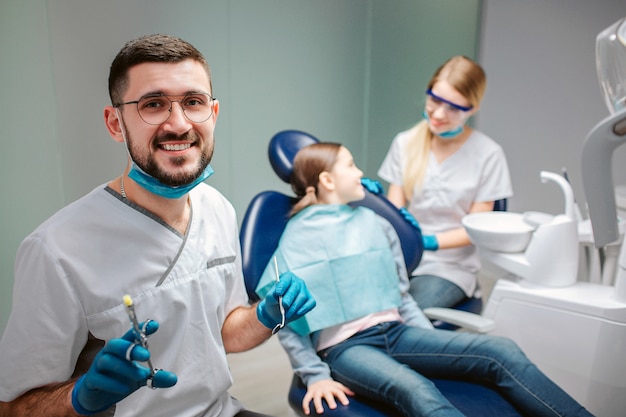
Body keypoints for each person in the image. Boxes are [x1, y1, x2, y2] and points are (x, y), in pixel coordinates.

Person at [0, 34, 315, 417]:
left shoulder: (218, 208)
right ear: (116, 123)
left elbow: (225, 332)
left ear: (213, 114)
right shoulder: (56, 250)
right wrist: (79, 397)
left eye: (193, 102)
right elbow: (13, 406)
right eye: (153, 105)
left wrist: (266, 315)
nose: (179, 124)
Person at [256, 142, 591, 417]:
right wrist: (314, 376)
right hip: (347, 348)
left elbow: (402, 296)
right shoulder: (295, 240)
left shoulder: (376, 223)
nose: (360, 173)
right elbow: (285, 320)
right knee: (417, 390)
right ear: (328, 181)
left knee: (500, 350)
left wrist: (434, 347)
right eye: (351, 165)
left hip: (399, 332)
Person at [377, 56, 513, 310]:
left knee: (401, 316)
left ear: (472, 108)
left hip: (449, 267)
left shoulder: (488, 154)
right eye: (435, 100)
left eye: (453, 107)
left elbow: (476, 228)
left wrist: (428, 241)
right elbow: (395, 214)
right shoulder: (405, 143)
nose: (439, 114)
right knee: (360, 309)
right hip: (402, 257)